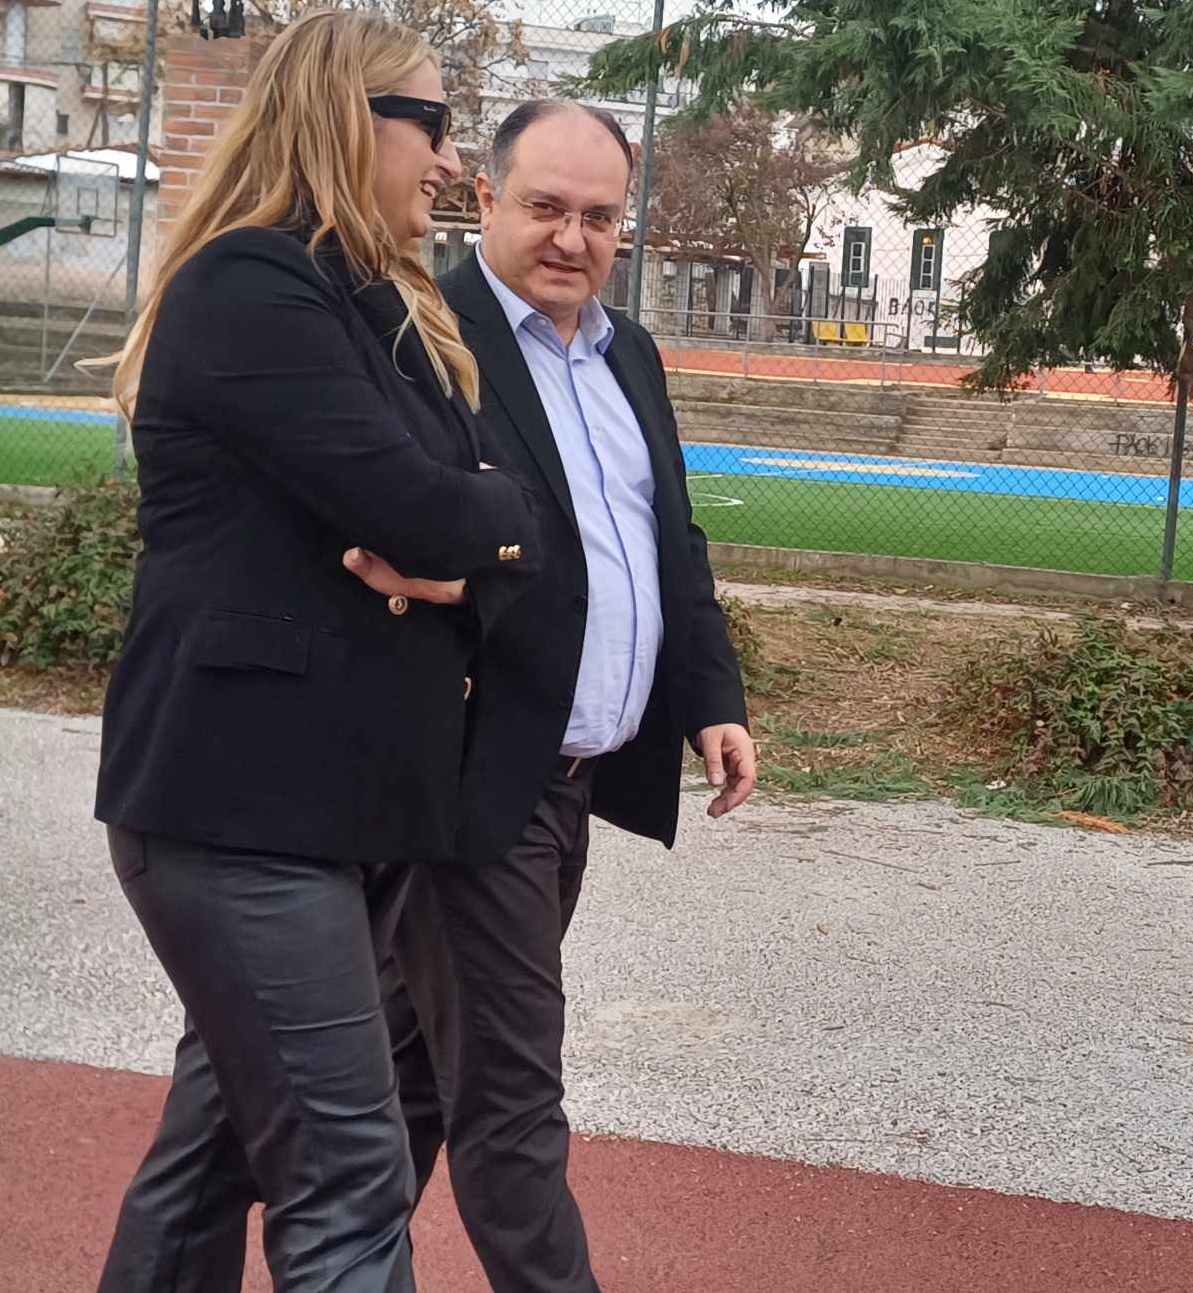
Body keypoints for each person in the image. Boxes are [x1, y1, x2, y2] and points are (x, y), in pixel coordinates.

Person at [91, 98, 757, 1293]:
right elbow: (403, 531)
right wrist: (473, 550)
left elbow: (668, 541)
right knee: (501, 1103)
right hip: (464, 780)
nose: (572, 239)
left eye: (600, 217)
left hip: (566, 781)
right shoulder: (413, 332)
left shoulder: (630, 354)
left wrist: (710, 692)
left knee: (299, 1110)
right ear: (485, 199)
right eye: (545, 208)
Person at [91, 8, 540, 1293]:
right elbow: (438, 510)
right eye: (432, 124)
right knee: (348, 1180)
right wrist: (480, 526)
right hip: (242, 810)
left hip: (336, 811)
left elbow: (489, 506)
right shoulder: (250, 284)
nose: (448, 161)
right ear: (345, 117)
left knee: (212, 1161)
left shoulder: (376, 304)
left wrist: (477, 530)